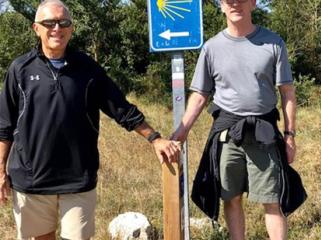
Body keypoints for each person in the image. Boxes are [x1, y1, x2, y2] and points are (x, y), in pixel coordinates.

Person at [0, 0, 181, 239]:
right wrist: (0, 170)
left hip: (77, 178)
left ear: (71, 28)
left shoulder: (87, 69)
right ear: (36, 28)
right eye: (49, 23)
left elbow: (120, 108)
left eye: (63, 22)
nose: (57, 28)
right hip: (31, 180)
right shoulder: (20, 69)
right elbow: (4, 125)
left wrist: (155, 138)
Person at [171, 0, 296, 239]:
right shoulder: (211, 48)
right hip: (228, 136)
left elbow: (287, 92)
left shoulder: (273, 42)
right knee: (231, 197)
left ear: (253, 3)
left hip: (265, 134)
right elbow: (200, 95)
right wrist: (182, 130)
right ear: (221, 6)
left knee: (272, 200)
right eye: (229, 0)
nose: (235, 3)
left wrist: (290, 136)